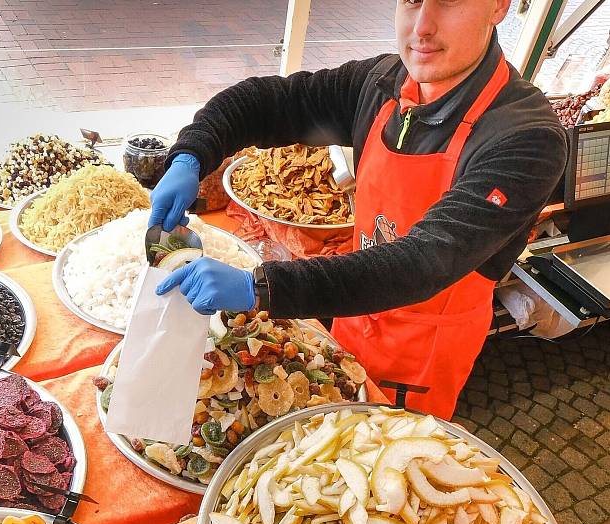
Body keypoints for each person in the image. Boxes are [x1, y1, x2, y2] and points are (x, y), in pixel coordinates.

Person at [150, 0, 568, 419]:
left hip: (419, 357)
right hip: (351, 311)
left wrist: (260, 288)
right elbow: (272, 102)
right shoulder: (381, 83)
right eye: (411, 0)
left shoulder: (527, 138)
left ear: (498, 6)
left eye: (449, 1)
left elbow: (425, 261)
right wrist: (191, 154)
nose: (422, 26)